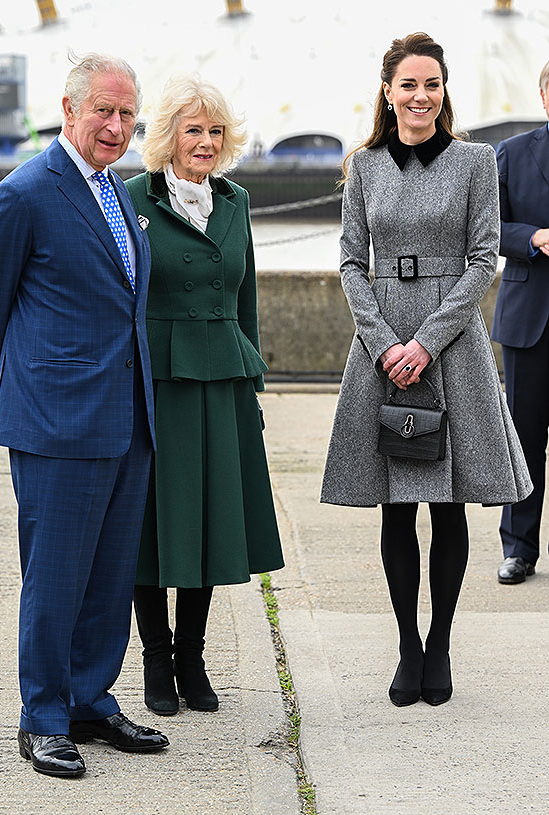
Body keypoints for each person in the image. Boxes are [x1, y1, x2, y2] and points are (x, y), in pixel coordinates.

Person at [0, 53, 169, 778]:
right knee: (54, 578)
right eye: (103, 112)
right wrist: (1, 382)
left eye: (126, 115)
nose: (116, 127)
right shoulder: (25, 193)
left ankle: (89, 697)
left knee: (111, 575)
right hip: (56, 421)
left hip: (126, 415)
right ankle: (43, 715)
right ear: (69, 109)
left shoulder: (116, 190)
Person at [320, 33, 531, 708]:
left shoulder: (475, 162)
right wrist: (385, 344)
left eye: (431, 84)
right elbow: (353, 263)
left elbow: (483, 259)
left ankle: (440, 644)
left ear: (444, 91)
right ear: (388, 92)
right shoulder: (366, 166)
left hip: (453, 343)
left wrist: (426, 343)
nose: (420, 96)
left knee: (448, 505)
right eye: (408, 85)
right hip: (382, 344)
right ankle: (406, 645)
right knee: (396, 504)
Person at [125, 76, 284, 716]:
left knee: (212, 520)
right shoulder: (128, 196)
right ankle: (156, 660)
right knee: (153, 523)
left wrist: (254, 382)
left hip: (223, 381)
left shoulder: (236, 201)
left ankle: (192, 655)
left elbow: (245, 302)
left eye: (215, 131)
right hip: (157, 382)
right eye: (194, 129)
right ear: (167, 137)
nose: (206, 142)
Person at [491, 59, 549, 585]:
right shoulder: (511, 153)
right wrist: (534, 238)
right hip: (531, 321)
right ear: (544, 95)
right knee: (524, 438)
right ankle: (519, 549)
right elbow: (488, 231)